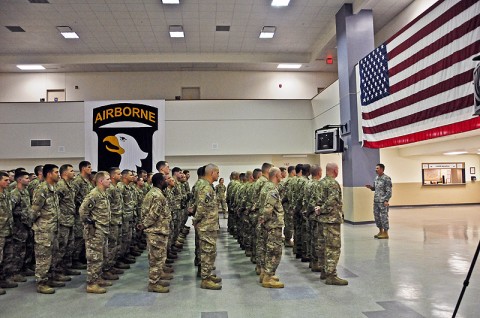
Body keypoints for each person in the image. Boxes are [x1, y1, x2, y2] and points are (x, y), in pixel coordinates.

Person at [79, 171, 112, 294]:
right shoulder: (94, 194)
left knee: (101, 256)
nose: (110, 181)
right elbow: (83, 211)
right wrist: (91, 225)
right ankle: (91, 284)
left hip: (103, 229)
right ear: (101, 181)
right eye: (108, 179)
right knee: (94, 258)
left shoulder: (103, 193)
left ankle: (98, 278)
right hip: (95, 231)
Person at [315, 163, 348, 286]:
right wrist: (322, 209)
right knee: (333, 247)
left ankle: (324, 271)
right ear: (334, 170)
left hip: (321, 220)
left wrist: (318, 210)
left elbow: (315, 200)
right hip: (331, 220)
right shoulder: (333, 183)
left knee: (323, 246)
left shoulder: (320, 183)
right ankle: (331, 275)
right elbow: (332, 201)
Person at [31, 164, 62, 294]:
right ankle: (41, 283)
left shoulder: (52, 188)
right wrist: (40, 225)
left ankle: (49, 278)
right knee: (43, 257)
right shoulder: (41, 189)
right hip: (44, 230)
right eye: (56, 172)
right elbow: (34, 211)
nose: (58, 175)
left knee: (52, 255)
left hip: (53, 228)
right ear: (49, 174)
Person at [140, 173, 172, 293]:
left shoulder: (154, 193)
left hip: (157, 230)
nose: (167, 181)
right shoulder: (157, 195)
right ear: (160, 182)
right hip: (155, 230)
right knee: (156, 258)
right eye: (165, 180)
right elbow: (153, 214)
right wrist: (144, 225)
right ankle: (153, 283)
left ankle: (157, 278)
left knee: (158, 257)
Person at [193, 164, 222, 290]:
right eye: (217, 172)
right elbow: (201, 207)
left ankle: (208, 274)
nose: (219, 175)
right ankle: (205, 279)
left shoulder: (207, 186)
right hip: (206, 226)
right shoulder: (205, 187)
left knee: (210, 252)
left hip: (209, 225)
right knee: (207, 252)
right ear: (211, 173)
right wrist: (196, 220)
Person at [259, 167, 285, 288]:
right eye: (280, 174)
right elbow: (268, 208)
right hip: (273, 225)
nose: (282, 176)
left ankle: (265, 273)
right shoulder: (272, 189)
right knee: (274, 251)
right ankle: (268, 278)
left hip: (268, 225)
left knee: (267, 249)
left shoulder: (266, 186)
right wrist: (264, 218)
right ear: (276, 175)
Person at [55, 164, 80, 279]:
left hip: (70, 220)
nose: (74, 172)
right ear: (64, 173)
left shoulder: (70, 185)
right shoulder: (60, 186)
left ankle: (66, 268)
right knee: (61, 247)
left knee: (69, 246)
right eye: (71, 171)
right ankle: (58, 271)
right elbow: (55, 203)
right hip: (63, 221)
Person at [71, 161, 93, 269]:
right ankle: (75, 259)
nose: (91, 169)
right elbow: (72, 198)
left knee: (84, 236)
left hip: (86, 214)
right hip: (78, 214)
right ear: (83, 168)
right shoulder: (77, 181)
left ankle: (82, 257)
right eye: (89, 167)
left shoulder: (87, 181)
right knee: (79, 236)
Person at [365, 163, 392, 239]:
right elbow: (375, 189)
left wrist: (386, 200)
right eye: (376, 168)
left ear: (382, 169)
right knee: (377, 217)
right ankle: (380, 231)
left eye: (377, 168)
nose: (376, 170)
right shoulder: (376, 178)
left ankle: (385, 233)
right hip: (376, 201)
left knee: (384, 217)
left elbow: (389, 191)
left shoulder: (387, 178)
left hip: (383, 202)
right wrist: (371, 188)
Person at [0, 171, 14, 295]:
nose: (8, 182)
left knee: (7, 257)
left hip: (7, 230)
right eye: (5, 180)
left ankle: (4, 280)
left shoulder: (6, 194)